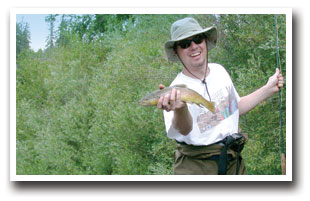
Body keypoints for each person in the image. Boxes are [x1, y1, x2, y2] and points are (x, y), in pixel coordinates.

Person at [157, 17, 284, 175]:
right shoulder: (174, 91)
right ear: (176, 51)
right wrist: (180, 108)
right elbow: (184, 129)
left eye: (197, 39)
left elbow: (233, 109)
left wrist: (268, 89)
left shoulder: (219, 71)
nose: (193, 46)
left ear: (205, 41)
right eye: (184, 44)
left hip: (232, 162)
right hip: (197, 167)